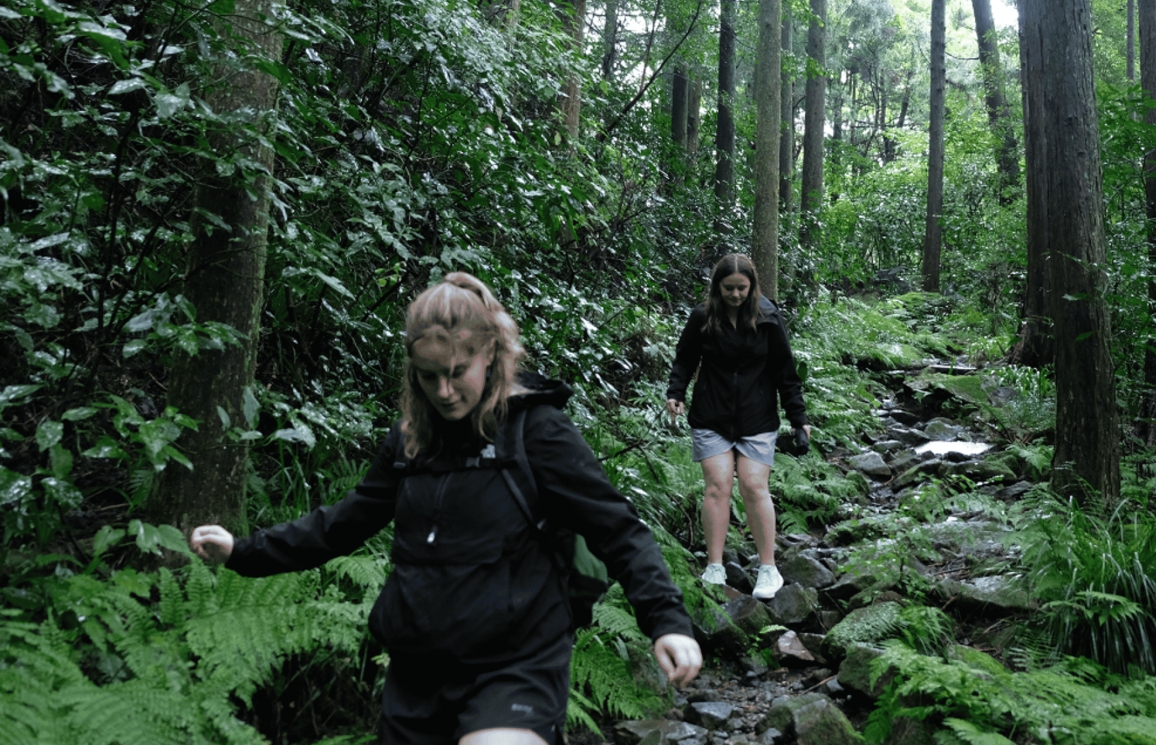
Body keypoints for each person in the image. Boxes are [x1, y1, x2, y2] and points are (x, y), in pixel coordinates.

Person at [190, 272, 702, 745]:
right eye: (428, 376)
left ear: (492, 355)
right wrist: (243, 551)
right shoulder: (410, 442)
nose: (445, 391)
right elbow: (343, 524)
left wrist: (667, 621)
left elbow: (618, 529)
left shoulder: (537, 433)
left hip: (516, 668)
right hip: (417, 678)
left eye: (458, 372)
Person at [665, 254, 810, 601]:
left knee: (753, 485)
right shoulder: (702, 317)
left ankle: (768, 568)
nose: (735, 294)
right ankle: (714, 566)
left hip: (757, 417)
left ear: (752, 286)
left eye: (741, 288)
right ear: (717, 287)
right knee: (717, 487)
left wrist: (798, 419)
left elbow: (785, 371)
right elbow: (685, 359)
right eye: (728, 288)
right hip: (710, 415)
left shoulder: (769, 317)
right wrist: (675, 394)